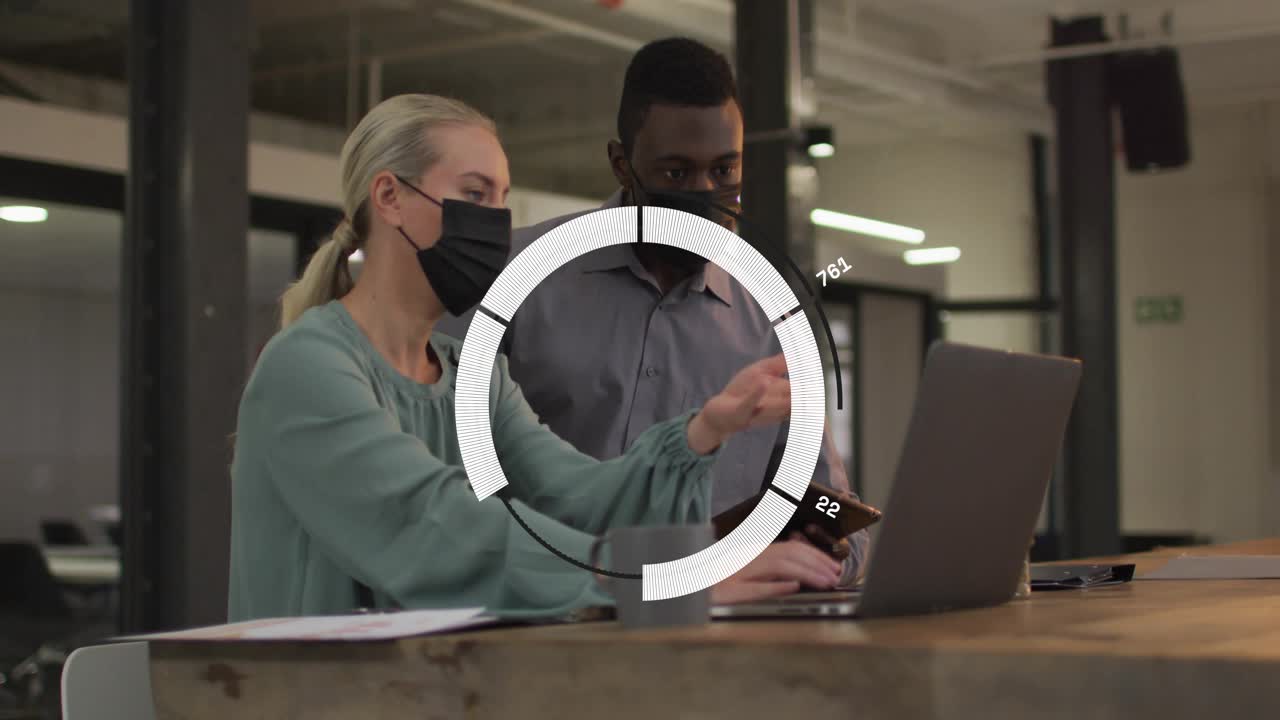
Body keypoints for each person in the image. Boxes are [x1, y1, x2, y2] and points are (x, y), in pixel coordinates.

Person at [228, 93, 829, 622]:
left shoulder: (472, 373)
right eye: (473, 193)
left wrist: (702, 432)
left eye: (501, 198)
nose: (494, 220)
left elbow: (581, 496)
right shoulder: (306, 368)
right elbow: (429, 525)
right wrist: (652, 581)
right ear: (389, 197)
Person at [439, 38, 869, 586]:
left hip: (716, 639)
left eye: (724, 170)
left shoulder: (772, 318)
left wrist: (828, 541)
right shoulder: (510, 280)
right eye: (675, 174)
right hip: (544, 627)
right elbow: (443, 485)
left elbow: (831, 505)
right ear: (623, 164)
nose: (705, 194)